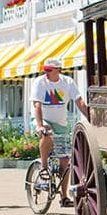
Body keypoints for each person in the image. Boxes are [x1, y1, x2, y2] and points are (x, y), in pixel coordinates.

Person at [31, 57, 89, 206]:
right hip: (43, 120)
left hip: (61, 123)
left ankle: (64, 197)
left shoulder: (67, 82)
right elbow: (37, 104)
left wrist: (91, 118)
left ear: (58, 70)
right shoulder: (40, 82)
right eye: (45, 70)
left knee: (65, 160)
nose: (46, 73)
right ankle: (44, 167)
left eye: (49, 70)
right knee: (47, 134)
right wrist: (39, 125)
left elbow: (79, 102)